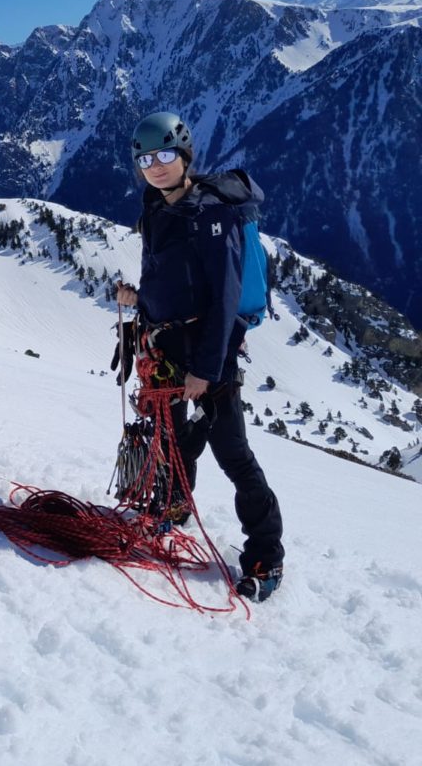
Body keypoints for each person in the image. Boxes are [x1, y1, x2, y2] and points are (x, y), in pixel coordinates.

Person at [113, 111, 284, 602]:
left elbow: (225, 297)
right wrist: (139, 301)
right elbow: (173, 281)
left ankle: (265, 558)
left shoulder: (211, 214)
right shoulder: (156, 205)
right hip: (167, 347)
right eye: (146, 159)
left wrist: (205, 372)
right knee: (171, 439)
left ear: (186, 155)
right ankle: (172, 507)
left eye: (166, 155)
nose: (156, 166)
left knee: (233, 455)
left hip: (210, 354)